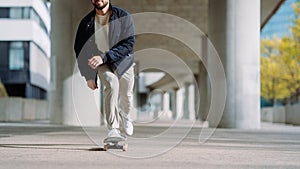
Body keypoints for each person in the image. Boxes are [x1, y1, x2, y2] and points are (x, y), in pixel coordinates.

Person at [74, 0, 135, 141]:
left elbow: (129, 43)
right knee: (111, 85)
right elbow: (80, 50)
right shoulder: (86, 23)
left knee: (126, 95)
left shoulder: (122, 16)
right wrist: (88, 76)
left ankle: (126, 116)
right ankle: (113, 129)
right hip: (102, 63)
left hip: (123, 61)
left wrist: (105, 56)